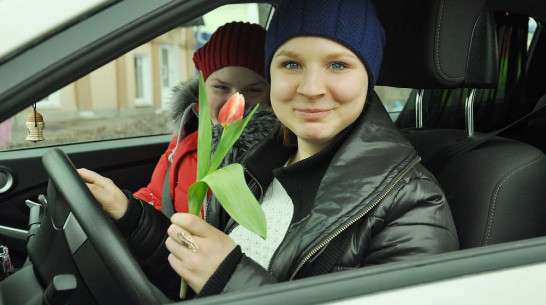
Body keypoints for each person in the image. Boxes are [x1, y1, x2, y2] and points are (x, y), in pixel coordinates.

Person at [79, 0, 459, 300]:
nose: (311, 87)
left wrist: (230, 279)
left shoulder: (412, 203)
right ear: (272, 73)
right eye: (291, 63)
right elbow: (196, 273)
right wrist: (131, 218)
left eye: (338, 65)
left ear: (368, 77)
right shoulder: (252, 163)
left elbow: (217, 274)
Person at [132, 21, 276, 215]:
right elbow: (155, 197)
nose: (235, 100)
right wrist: (126, 210)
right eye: (221, 87)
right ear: (202, 87)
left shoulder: (275, 153)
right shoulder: (187, 133)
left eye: (253, 90)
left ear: (271, 92)